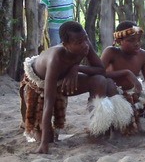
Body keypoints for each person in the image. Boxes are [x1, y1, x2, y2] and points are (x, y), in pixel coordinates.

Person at [20, 21, 133, 154]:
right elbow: (48, 102)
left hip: (64, 80)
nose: (85, 45)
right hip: (40, 86)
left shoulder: (85, 44)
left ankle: (96, 133)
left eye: (85, 39)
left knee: (100, 81)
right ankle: (34, 131)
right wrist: (44, 144)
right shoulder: (55, 59)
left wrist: (76, 67)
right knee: (48, 138)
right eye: (79, 43)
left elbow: (101, 70)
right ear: (66, 45)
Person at [101, 21, 145, 134]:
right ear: (119, 41)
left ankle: (137, 116)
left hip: (135, 95)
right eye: (131, 40)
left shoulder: (142, 55)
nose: (137, 44)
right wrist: (126, 73)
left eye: (139, 40)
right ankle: (118, 122)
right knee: (113, 92)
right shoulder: (110, 52)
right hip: (114, 95)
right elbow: (98, 73)